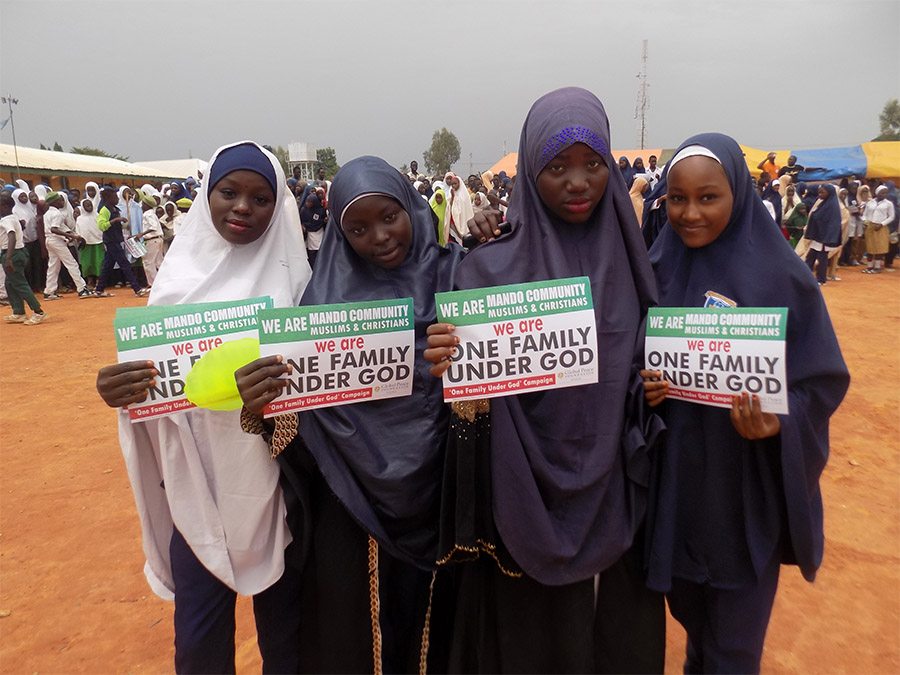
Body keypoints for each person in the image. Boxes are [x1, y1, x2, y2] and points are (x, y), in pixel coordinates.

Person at [425, 87, 664, 673]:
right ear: (531, 172)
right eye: (557, 167)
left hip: (614, 488)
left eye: (593, 164)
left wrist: (649, 390)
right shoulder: (484, 267)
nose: (578, 182)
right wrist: (448, 360)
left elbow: (644, 364)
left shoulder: (637, 266)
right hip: (520, 495)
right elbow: (463, 399)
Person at [235, 155, 464, 673]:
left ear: (411, 205)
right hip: (352, 498)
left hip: (443, 487)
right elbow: (303, 422)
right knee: (358, 631)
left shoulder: (460, 274)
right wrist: (266, 407)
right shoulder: (319, 307)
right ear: (338, 233)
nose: (380, 236)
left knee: (440, 626)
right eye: (357, 228)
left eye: (390, 216)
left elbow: (493, 378)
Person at [95, 141, 311, 673]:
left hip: (276, 488)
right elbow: (155, 388)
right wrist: (122, 393)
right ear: (206, 196)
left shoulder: (300, 288)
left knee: (287, 639)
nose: (243, 207)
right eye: (229, 193)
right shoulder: (173, 288)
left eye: (262, 198)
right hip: (195, 486)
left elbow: (318, 391)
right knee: (199, 643)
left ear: (279, 204)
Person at [641, 133, 849, 674]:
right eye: (677, 199)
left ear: (737, 195)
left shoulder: (782, 276)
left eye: (708, 197)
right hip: (678, 488)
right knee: (693, 627)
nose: (689, 213)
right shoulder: (655, 269)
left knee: (734, 648)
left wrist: (780, 422)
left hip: (743, 495)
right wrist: (645, 390)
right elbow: (628, 357)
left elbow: (822, 380)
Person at [92, 186, 150, 298]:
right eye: (115, 197)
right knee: (125, 264)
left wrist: (124, 225)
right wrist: (116, 220)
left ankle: (99, 289)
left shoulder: (115, 209)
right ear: (109, 198)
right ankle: (137, 289)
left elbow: (117, 225)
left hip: (116, 240)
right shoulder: (104, 210)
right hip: (111, 241)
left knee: (107, 266)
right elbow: (102, 226)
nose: (117, 199)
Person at [2, 192, 47, 325]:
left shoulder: (6, 220)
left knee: (20, 284)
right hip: (18, 252)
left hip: (12, 254)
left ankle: (38, 311)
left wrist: (9, 257)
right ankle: (18, 312)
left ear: (4, 206)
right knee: (9, 283)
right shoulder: (13, 217)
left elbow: (11, 235)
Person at [42, 192, 91, 299]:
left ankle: (49, 291)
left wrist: (74, 235)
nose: (62, 202)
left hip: (49, 241)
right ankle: (82, 288)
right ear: (54, 202)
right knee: (72, 263)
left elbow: (62, 227)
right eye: (60, 200)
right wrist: (73, 237)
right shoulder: (57, 214)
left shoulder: (47, 213)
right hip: (56, 241)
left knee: (53, 266)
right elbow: (54, 229)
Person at [802, 184, 842, 285]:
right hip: (818, 236)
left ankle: (821, 279)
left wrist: (827, 238)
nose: (820, 194)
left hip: (824, 237)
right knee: (811, 257)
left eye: (822, 192)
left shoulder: (832, 206)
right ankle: (805, 276)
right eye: (819, 192)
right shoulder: (823, 203)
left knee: (822, 258)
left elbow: (831, 223)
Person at [131, 189, 165, 286]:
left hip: (152, 240)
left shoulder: (148, 214)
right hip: (157, 239)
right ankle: (162, 283)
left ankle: (153, 285)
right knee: (158, 263)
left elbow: (153, 227)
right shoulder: (151, 214)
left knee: (148, 263)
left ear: (146, 205)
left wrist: (141, 234)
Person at [861, 185, 895, 274]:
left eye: (885, 193)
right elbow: (864, 214)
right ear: (877, 193)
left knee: (879, 247)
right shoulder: (870, 202)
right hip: (870, 226)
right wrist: (865, 221)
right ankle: (869, 267)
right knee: (870, 247)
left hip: (881, 227)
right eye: (882, 192)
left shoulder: (888, 204)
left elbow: (891, 216)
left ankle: (877, 267)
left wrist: (882, 224)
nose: (884, 194)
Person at [75, 198, 104, 290]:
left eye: (90, 205)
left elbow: (101, 228)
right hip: (85, 244)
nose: (89, 207)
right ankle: (90, 281)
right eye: (87, 205)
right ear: (82, 207)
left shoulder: (97, 216)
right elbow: (78, 230)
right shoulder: (79, 219)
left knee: (98, 262)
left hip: (98, 242)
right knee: (87, 263)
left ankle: (99, 281)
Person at [444, 171, 475, 246]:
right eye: (452, 184)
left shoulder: (465, 196)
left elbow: (466, 210)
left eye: (455, 184)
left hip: (462, 220)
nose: (453, 186)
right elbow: (449, 207)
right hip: (453, 221)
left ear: (459, 183)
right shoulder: (450, 194)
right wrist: (452, 197)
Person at [298, 190, 326, 269]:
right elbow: (301, 220)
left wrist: (306, 225)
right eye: (307, 201)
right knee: (310, 252)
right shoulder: (304, 210)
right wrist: (303, 226)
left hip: (317, 233)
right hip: (308, 234)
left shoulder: (320, 211)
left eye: (310, 202)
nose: (307, 203)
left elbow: (319, 222)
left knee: (318, 250)